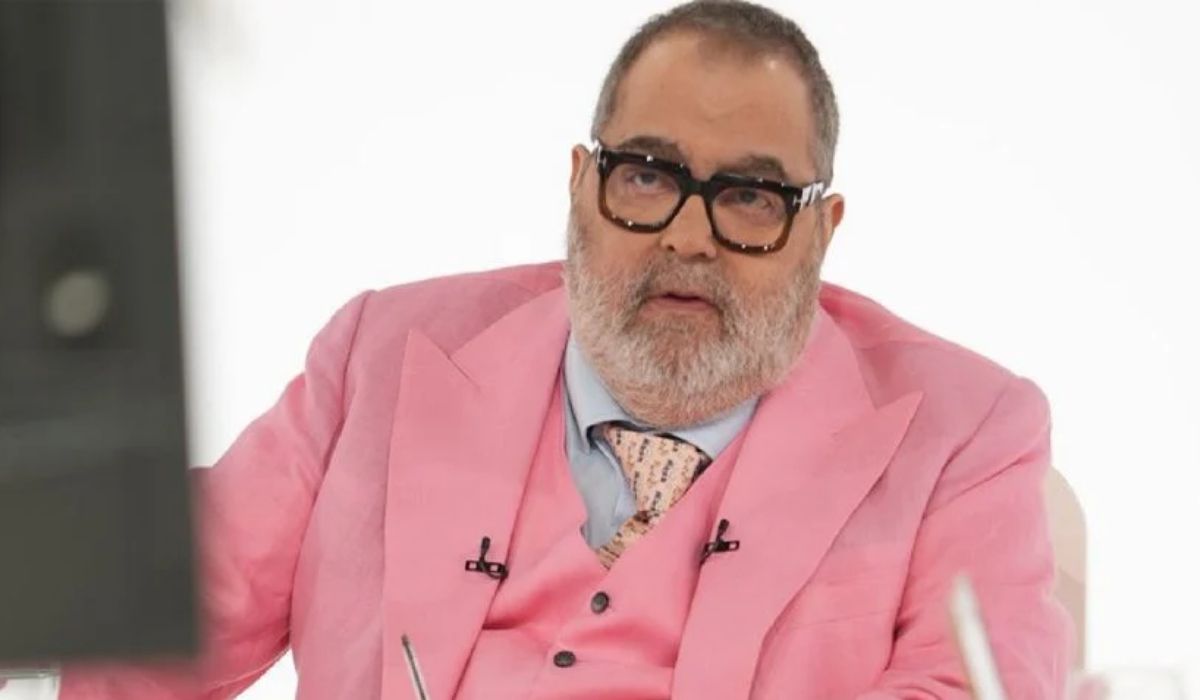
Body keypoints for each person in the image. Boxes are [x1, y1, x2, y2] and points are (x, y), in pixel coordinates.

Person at [59, 0, 1072, 697]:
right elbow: (139, 631)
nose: (688, 236)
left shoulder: (969, 434)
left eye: (751, 197)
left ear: (820, 230)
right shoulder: (382, 354)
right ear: (584, 185)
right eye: (648, 176)